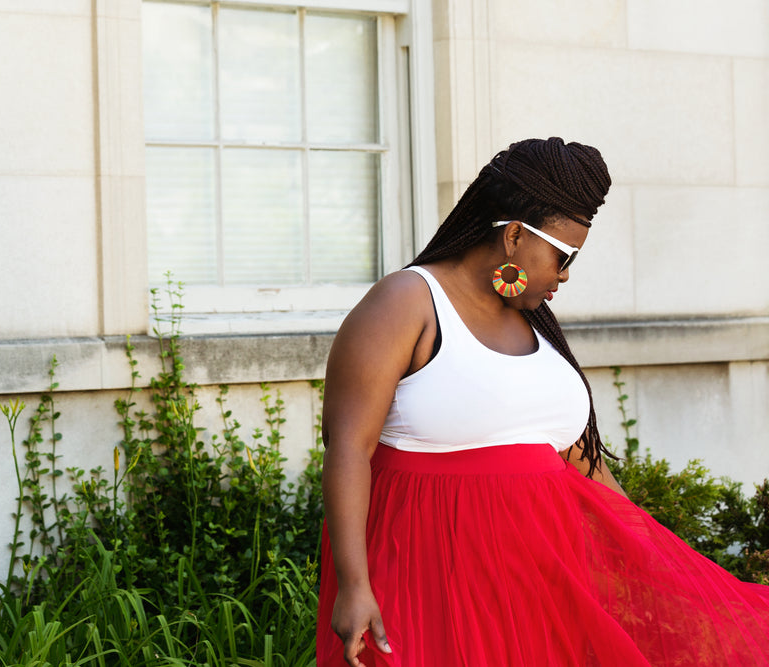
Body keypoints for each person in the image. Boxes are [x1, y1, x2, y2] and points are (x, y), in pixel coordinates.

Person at [316, 137, 769, 666]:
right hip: (429, 575)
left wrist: (658, 567)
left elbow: (585, 468)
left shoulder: (534, 324)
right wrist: (353, 584)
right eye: (563, 256)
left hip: (544, 587)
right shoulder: (408, 301)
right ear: (513, 236)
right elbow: (347, 446)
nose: (565, 274)